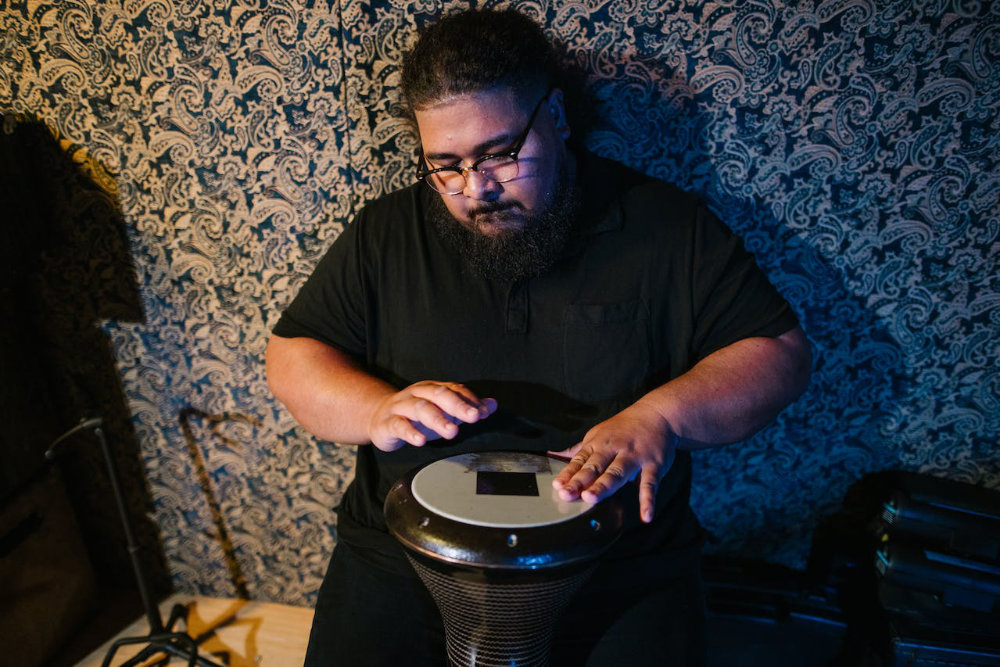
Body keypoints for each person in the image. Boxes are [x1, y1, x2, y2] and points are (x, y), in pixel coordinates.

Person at [266, 8, 811, 666]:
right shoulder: (385, 233)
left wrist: (662, 417)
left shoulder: (668, 226)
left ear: (555, 115)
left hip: (618, 559)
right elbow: (293, 355)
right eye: (445, 165)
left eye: (500, 153)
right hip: (406, 554)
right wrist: (374, 409)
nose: (477, 188)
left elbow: (778, 356)